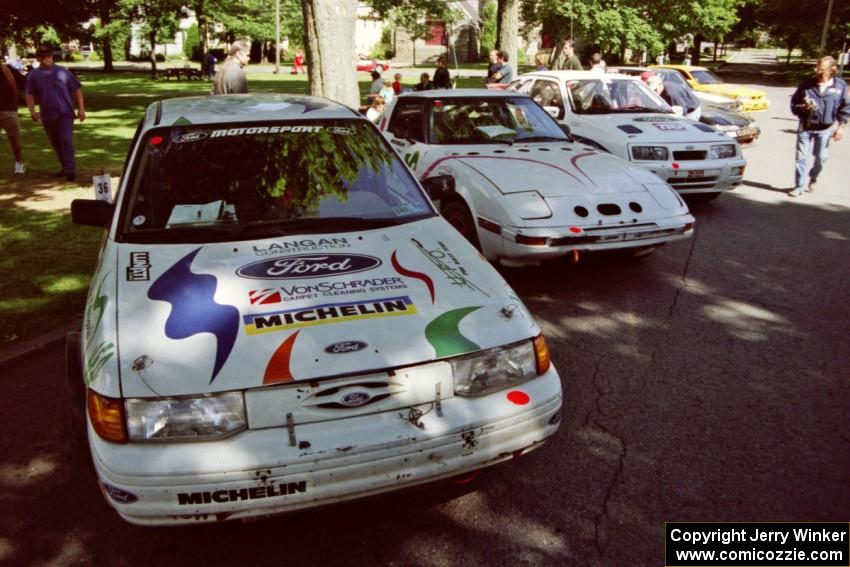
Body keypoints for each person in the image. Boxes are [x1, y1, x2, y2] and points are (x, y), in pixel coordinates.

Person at [788, 55, 850, 197]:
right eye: (817, 69)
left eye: (822, 70)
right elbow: (794, 105)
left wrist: (841, 126)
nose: (818, 72)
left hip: (825, 129)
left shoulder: (840, 86)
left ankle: (813, 177)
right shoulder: (807, 84)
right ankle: (799, 186)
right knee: (801, 157)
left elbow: (845, 107)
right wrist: (803, 108)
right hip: (806, 127)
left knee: (821, 158)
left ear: (832, 69)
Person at [25, 46, 85, 181]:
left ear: (52, 57)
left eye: (49, 56)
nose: (47, 59)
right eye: (43, 56)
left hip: (65, 112)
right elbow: (29, 93)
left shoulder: (63, 72)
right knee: (56, 142)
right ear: (39, 58)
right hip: (47, 114)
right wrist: (32, 110)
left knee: (66, 140)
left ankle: (70, 169)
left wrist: (81, 109)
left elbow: (77, 90)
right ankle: (65, 167)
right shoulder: (34, 75)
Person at [0, 61, 25, 174]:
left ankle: (19, 163)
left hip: (6, 108)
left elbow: (13, 86)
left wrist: (14, 106)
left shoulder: (3, 68)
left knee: (14, 137)